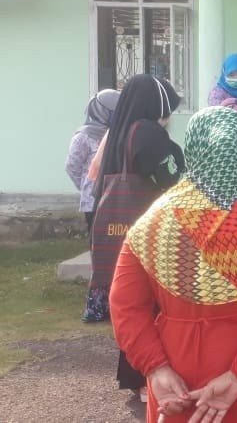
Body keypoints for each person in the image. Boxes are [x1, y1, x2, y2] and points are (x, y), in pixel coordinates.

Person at [109, 106, 237, 423]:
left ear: (192, 149)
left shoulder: (154, 219)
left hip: (178, 376)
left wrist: (155, 368)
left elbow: (125, 306)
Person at [89, 74, 186, 401]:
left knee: (131, 302)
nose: (169, 117)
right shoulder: (146, 131)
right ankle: (148, 378)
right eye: (168, 109)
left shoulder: (119, 130)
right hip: (147, 229)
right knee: (152, 303)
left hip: (119, 228)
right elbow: (168, 175)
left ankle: (135, 375)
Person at [65, 89, 120, 234]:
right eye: (115, 111)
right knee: (97, 240)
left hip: (116, 200)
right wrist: (86, 185)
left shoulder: (118, 134)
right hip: (93, 202)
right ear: (102, 111)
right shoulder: (83, 137)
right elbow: (72, 166)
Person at [208, 53, 237, 118]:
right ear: (224, 73)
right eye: (231, 75)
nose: (236, 79)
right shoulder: (217, 93)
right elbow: (216, 115)